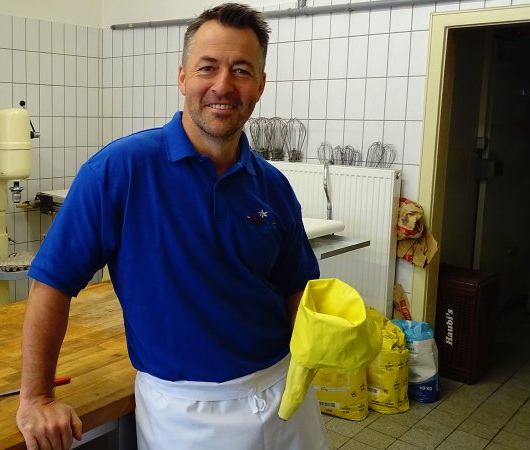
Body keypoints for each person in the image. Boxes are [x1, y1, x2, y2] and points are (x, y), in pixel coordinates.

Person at [16, 3, 327, 449]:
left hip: (285, 397)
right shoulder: (120, 170)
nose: (223, 85)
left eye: (241, 70)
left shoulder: (272, 185)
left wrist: (324, 341)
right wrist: (38, 397)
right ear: (183, 77)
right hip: (186, 412)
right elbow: (51, 283)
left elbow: (297, 287)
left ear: (259, 86)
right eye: (208, 68)